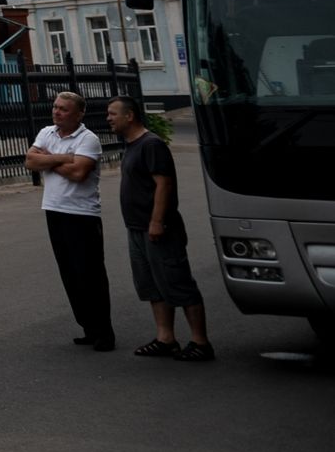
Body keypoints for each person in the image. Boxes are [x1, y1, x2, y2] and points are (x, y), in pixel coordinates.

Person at [105, 96, 213, 362]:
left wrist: (156, 221)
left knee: (178, 282)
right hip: (137, 228)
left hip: (159, 228)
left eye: (112, 114)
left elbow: (163, 184)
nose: (108, 118)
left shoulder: (151, 145)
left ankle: (200, 342)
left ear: (129, 116)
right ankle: (166, 338)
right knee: (152, 285)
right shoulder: (131, 145)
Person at [26, 89, 115, 351]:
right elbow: (30, 161)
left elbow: (78, 173)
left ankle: (103, 331)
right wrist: (64, 157)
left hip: (82, 214)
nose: (56, 112)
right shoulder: (46, 132)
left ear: (78, 113)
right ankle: (87, 326)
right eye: (55, 107)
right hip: (54, 210)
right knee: (69, 272)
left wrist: (49, 160)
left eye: (63, 109)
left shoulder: (88, 139)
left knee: (90, 273)